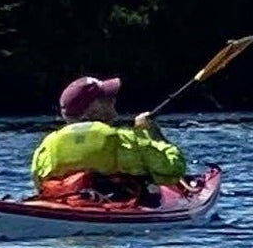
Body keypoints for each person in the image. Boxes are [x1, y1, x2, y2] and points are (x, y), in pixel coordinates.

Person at [29, 76, 189, 202]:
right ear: (90, 109)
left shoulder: (47, 144)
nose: (113, 100)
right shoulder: (123, 138)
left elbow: (39, 185)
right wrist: (152, 134)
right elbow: (172, 170)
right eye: (104, 98)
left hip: (66, 204)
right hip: (119, 207)